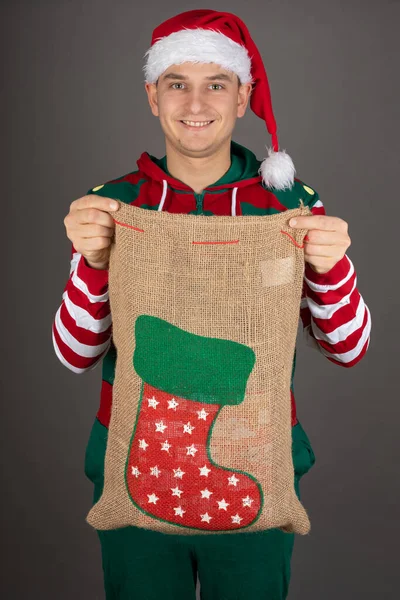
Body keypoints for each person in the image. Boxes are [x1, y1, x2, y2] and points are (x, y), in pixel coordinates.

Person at [53, 9, 371, 600]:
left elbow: (349, 348)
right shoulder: (114, 204)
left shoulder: (291, 205)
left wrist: (333, 268)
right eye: (177, 83)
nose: (195, 102)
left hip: (260, 452)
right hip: (128, 459)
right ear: (153, 96)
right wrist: (94, 263)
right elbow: (75, 354)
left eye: (215, 84)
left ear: (243, 96)